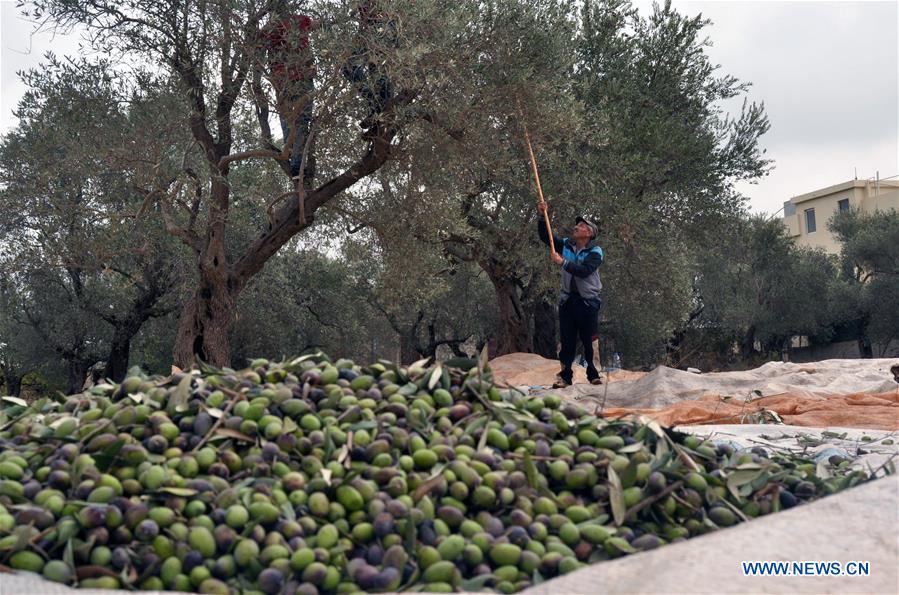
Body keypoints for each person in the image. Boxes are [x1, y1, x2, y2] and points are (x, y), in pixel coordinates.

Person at [536, 202, 604, 388]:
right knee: (567, 341)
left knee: (590, 340)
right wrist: (543, 216)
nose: (577, 227)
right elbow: (545, 236)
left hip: (588, 303)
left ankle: (594, 374)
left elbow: (584, 271)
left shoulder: (595, 252)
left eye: (582, 225)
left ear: (589, 233)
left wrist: (562, 262)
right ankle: (565, 377)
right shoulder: (566, 244)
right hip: (568, 301)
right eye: (577, 224)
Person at [262, 1, 320, 178]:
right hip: (302, 77)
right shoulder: (299, 20)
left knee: (287, 123)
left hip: (282, 84)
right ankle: (296, 166)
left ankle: (291, 158)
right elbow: (318, 24)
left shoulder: (268, 29)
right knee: (302, 122)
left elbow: (256, 40)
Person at [342, 0, 396, 130]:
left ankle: (378, 113)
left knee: (377, 71)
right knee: (349, 66)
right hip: (369, 31)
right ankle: (375, 107)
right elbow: (355, 10)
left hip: (384, 27)